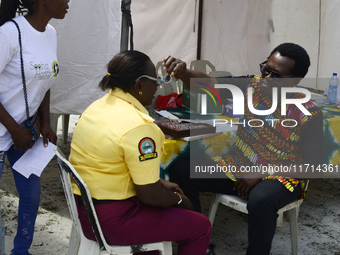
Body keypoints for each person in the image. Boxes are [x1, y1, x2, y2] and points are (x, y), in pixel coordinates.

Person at [164, 43, 324, 255]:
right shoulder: (251, 86)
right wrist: (184, 73)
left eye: (276, 76)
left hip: (282, 177)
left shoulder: (308, 112)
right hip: (238, 167)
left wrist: (264, 172)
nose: (266, 78)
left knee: (261, 200)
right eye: (265, 69)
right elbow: (210, 83)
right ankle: (198, 245)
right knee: (182, 172)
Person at [68, 50, 212, 255]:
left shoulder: (96, 107)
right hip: (114, 220)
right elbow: (150, 197)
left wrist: (160, 183)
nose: (156, 88)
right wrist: (180, 200)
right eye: (155, 81)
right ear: (139, 86)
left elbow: (115, 165)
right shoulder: (139, 127)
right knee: (200, 226)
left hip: (87, 211)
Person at [0, 0, 69, 254]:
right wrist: (12, 128)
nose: (69, 1)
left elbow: (46, 80)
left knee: (30, 196)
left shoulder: (50, 34)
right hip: (5, 130)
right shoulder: (9, 33)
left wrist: (47, 122)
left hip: (25, 131)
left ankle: (21, 251)